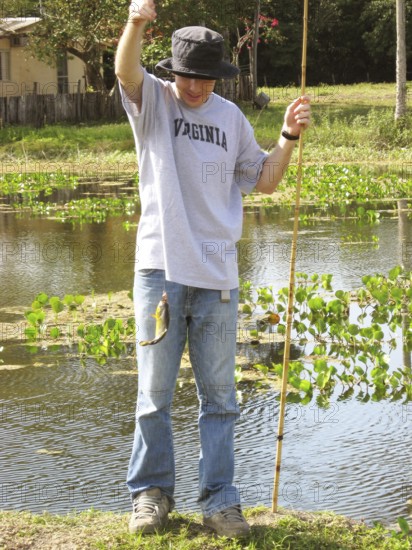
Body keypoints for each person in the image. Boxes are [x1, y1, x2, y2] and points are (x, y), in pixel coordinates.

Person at [115, 0, 311, 538]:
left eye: (205, 78)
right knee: (153, 394)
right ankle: (151, 496)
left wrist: (287, 138)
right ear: (172, 72)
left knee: (220, 398)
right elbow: (123, 70)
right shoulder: (152, 101)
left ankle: (220, 502)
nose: (196, 88)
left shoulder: (231, 117)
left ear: (217, 75)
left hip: (219, 278)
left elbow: (264, 180)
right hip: (160, 271)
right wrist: (136, 22)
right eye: (187, 77)